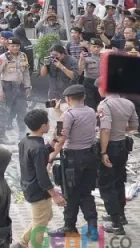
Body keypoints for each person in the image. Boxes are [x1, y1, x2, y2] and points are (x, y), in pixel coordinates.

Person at [50, 85, 98, 238]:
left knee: (70, 194)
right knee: (86, 193)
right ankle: (92, 228)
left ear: (68, 99)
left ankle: (69, 226)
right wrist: (60, 113)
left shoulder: (68, 115)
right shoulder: (91, 111)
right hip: (90, 157)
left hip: (73, 159)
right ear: (83, 97)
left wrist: (52, 156)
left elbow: (60, 137)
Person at [13, 109, 66, 248]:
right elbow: (42, 176)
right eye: (48, 122)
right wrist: (55, 195)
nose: (49, 124)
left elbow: (36, 157)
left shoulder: (25, 141)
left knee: (44, 217)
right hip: (38, 190)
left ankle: (22, 242)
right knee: (40, 225)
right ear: (43, 126)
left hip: (28, 185)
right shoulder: (38, 148)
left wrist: (54, 141)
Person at [95, 78, 138, 235]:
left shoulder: (104, 105)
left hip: (110, 147)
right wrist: (120, 130)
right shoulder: (128, 103)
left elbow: (105, 130)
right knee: (119, 181)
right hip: (122, 146)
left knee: (107, 185)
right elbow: (134, 126)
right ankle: (121, 214)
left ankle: (116, 223)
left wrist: (103, 152)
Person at [0, 37, 31, 144]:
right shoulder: (3, 58)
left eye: (17, 46)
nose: (15, 48)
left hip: (20, 86)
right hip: (7, 87)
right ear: (8, 46)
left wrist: (28, 86)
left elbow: (26, 72)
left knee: (22, 111)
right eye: (12, 46)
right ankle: (1, 137)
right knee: (4, 112)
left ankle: (22, 134)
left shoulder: (23, 56)